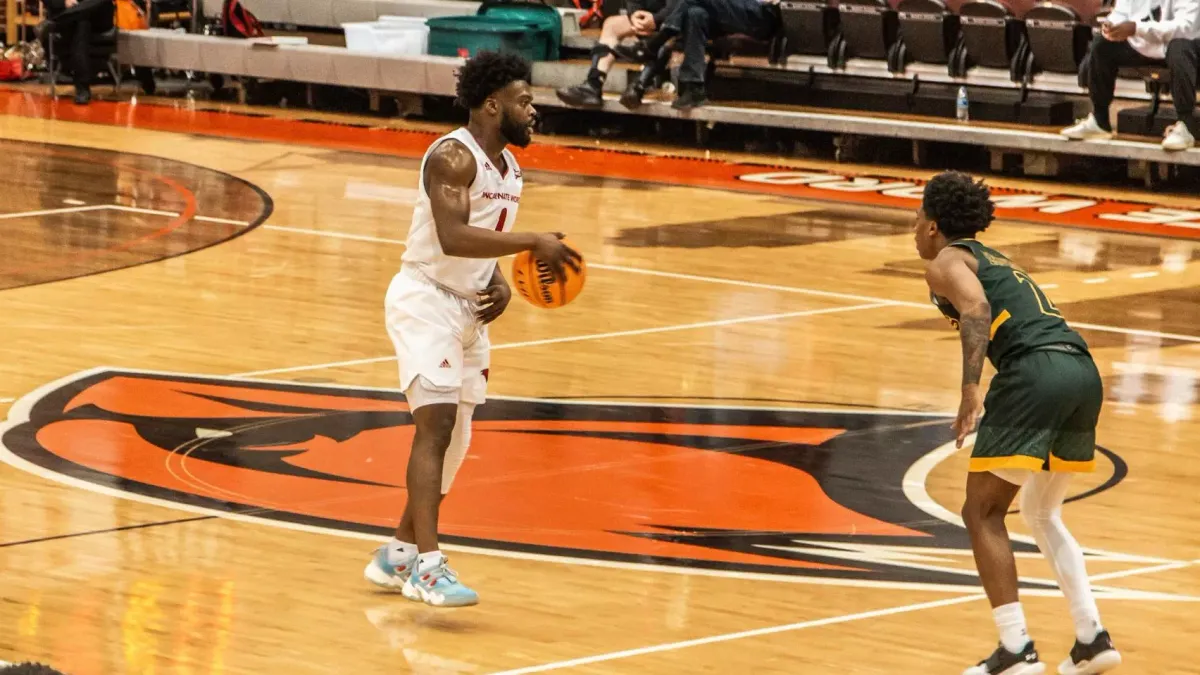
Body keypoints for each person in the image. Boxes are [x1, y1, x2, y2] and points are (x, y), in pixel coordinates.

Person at [363, 50, 582, 607]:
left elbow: (480, 243)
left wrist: (500, 281)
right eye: (524, 100)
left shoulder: (509, 169)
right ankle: (429, 570)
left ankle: (397, 555)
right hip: (424, 300)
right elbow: (453, 236)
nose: (534, 110)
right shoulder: (454, 157)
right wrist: (533, 242)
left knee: (456, 441)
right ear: (492, 104)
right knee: (433, 429)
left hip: (467, 308)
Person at [914, 171, 1122, 675]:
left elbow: (977, 308)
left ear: (934, 224)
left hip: (1035, 373)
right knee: (1043, 513)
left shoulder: (945, 260)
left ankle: (1016, 650)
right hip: (1080, 369)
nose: (913, 226)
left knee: (981, 512)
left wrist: (969, 389)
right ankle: (1091, 639)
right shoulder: (993, 257)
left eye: (917, 216)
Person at [1061, 0, 1200, 151]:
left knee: (1179, 46)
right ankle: (1099, 121)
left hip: (1188, 45)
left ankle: (1186, 126)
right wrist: (1112, 26)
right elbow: (1121, 14)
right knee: (1102, 44)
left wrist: (1136, 28)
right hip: (1146, 42)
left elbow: (1185, 27)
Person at [556, 0, 677, 107]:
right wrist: (635, 17)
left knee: (669, 31)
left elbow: (679, 6)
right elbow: (633, 3)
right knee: (611, 24)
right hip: (649, 19)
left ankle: (639, 86)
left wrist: (656, 20)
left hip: (678, 20)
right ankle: (594, 84)